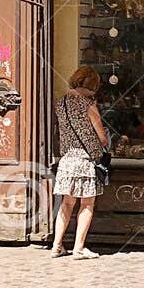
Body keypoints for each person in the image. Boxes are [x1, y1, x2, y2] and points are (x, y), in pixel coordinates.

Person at [52, 65, 110, 259]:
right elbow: (101, 137)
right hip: (85, 162)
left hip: (67, 161)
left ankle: (56, 245)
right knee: (87, 204)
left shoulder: (61, 103)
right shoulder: (88, 104)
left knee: (66, 204)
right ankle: (78, 247)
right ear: (93, 84)